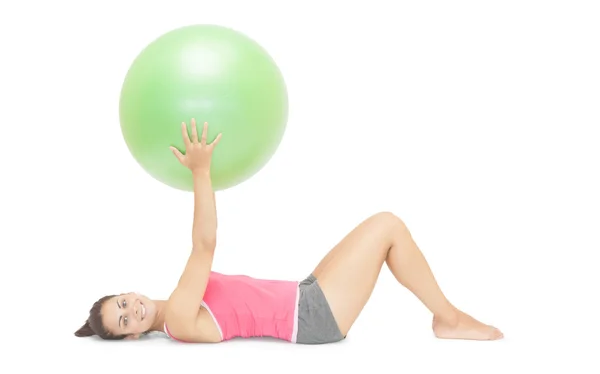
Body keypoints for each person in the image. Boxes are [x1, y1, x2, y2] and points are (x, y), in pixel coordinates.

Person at [74, 119, 503, 344]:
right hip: (312, 319)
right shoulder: (181, 319)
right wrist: (201, 172)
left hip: (304, 293)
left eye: (123, 302)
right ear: (131, 336)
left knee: (380, 227)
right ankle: (449, 319)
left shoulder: (178, 301)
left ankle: (447, 317)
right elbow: (204, 245)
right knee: (387, 225)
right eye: (125, 319)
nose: (133, 310)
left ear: (128, 291)